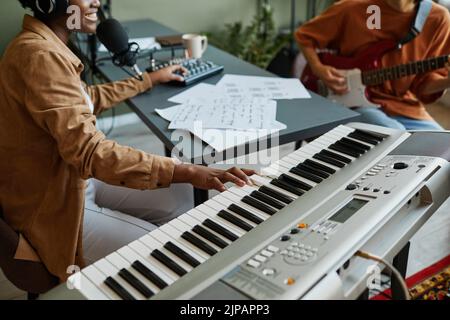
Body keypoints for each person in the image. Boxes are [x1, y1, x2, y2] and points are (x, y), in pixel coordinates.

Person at [0, 0, 255, 282]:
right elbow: (90, 152)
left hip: (74, 180)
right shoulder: (39, 55)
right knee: (170, 254)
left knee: (182, 196)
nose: (97, 1)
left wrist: (148, 79)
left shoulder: (48, 46)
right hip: (55, 205)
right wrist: (189, 170)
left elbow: (88, 98)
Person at [296, 0, 450, 130]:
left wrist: (447, 81)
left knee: (443, 145)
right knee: (396, 137)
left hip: (403, 106)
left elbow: (423, 87)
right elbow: (304, 36)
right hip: (351, 100)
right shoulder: (353, 8)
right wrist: (319, 68)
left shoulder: (438, 19)